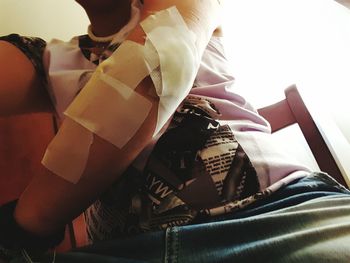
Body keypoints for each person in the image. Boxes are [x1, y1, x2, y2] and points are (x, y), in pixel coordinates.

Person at [1, 0, 350, 262]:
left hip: (276, 215)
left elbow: (159, 60)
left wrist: (28, 222)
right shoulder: (51, 60)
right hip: (125, 252)